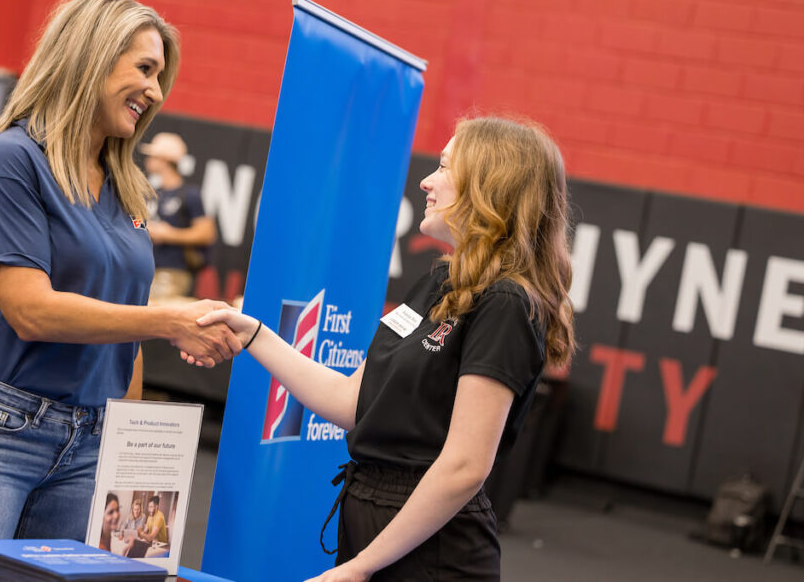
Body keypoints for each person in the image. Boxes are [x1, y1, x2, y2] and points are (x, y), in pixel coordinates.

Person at [0, 0, 240, 550]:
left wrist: (128, 446)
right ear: (91, 56)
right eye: (144, 69)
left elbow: (126, 339)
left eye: (161, 77)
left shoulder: (127, 187)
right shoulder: (11, 160)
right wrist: (167, 320)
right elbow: (30, 311)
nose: (155, 92)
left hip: (92, 442)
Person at [195, 116, 575, 581]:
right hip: (375, 527)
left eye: (443, 167)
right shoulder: (439, 282)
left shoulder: (506, 303)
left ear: (487, 185)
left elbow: (464, 466)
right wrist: (253, 334)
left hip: (433, 552)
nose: (426, 181)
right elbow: (352, 402)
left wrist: (362, 567)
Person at [141, 132, 216, 300]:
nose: (148, 160)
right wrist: (145, 229)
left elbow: (206, 233)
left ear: (164, 160)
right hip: (146, 266)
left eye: (153, 156)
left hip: (173, 271)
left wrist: (169, 234)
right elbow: (139, 222)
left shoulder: (189, 194)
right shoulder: (152, 192)